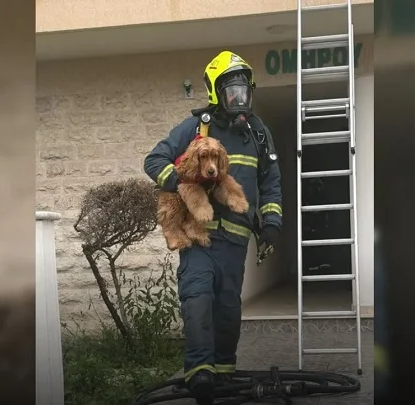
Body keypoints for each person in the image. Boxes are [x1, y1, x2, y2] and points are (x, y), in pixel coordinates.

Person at [143, 50, 283, 404]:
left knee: (227, 308)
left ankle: (224, 372)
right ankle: (199, 373)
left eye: (243, 90)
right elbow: (153, 160)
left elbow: (271, 182)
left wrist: (272, 225)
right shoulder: (196, 128)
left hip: (235, 242)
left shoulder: (258, 133)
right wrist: (183, 183)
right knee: (197, 299)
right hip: (198, 238)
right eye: (231, 91)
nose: (239, 98)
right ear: (216, 92)